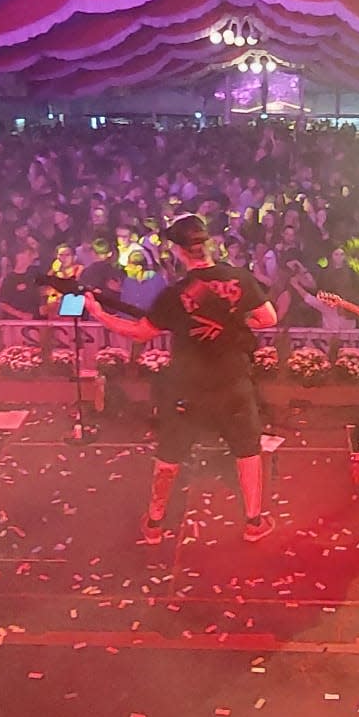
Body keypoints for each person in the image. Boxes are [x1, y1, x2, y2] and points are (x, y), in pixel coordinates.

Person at [83, 213, 280, 544]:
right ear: (208, 244)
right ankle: (253, 522)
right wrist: (234, 324)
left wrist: (99, 313)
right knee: (247, 450)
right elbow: (268, 318)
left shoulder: (174, 294)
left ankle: (155, 524)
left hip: (188, 387)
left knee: (170, 453)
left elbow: (140, 332)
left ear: (178, 251)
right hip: (232, 382)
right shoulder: (239, 279)